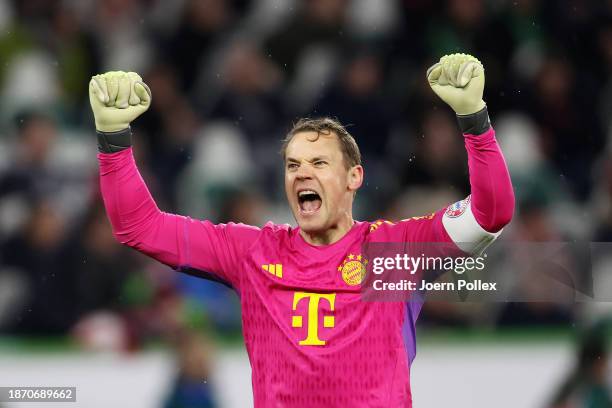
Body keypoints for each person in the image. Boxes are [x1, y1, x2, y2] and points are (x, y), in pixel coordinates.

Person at [89, 53, 514, 407]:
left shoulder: (391, 251)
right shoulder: (253, 252)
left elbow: (490, 213)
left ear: (354, 178)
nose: (301, 174)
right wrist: (113, 138)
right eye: (293, 165)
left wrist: (473, 120)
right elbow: (138, 227)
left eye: (318, 163)